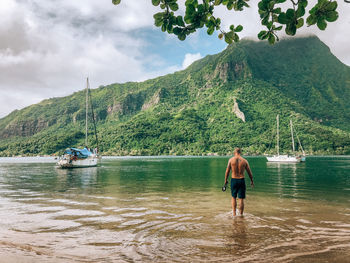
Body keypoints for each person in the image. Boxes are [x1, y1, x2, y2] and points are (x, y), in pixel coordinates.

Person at [224, 148, 254, 216]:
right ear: (240, 152)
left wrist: (225, 180)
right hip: (241, 180)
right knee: (241, 199)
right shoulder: (244, 161)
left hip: (234, 180)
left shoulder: (231, 160)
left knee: (233, 197)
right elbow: (249, 172)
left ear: (235, 152)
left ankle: (234, 214)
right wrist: (252, 181)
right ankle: (241, 215)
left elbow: (227, 171)